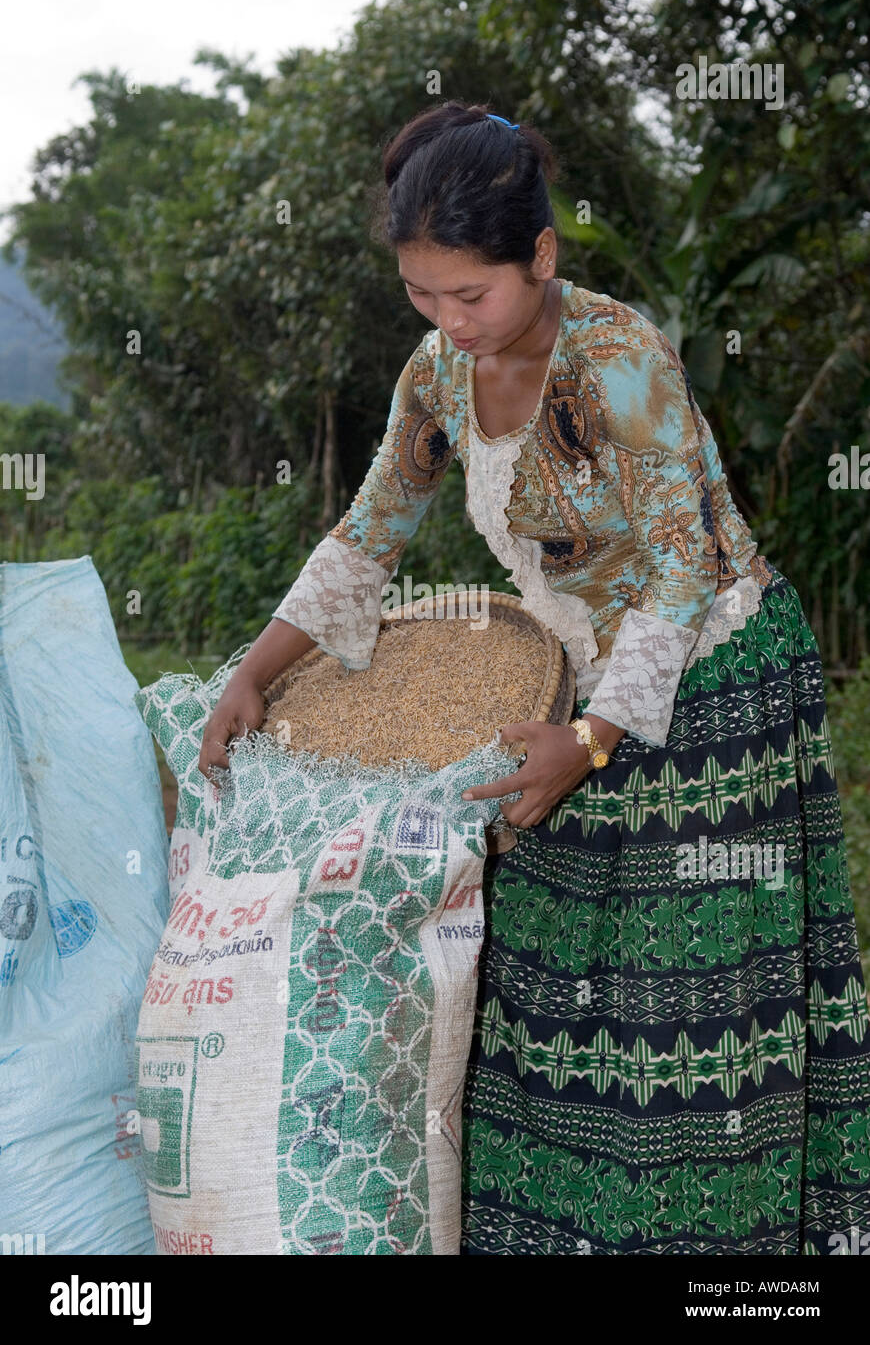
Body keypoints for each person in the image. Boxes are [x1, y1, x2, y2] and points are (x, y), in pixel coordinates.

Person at [198, 100, 870, 1256]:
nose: (451, 322)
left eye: (474, 295)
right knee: (547, 1006)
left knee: (681, 1025)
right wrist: (255, 673)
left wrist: (597, 739)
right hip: (568, 699)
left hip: (706, 694)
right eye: (424, 294)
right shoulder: (437, 377)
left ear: (542, 257)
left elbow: (680, 572)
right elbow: (369, 534)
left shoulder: (622, 361)